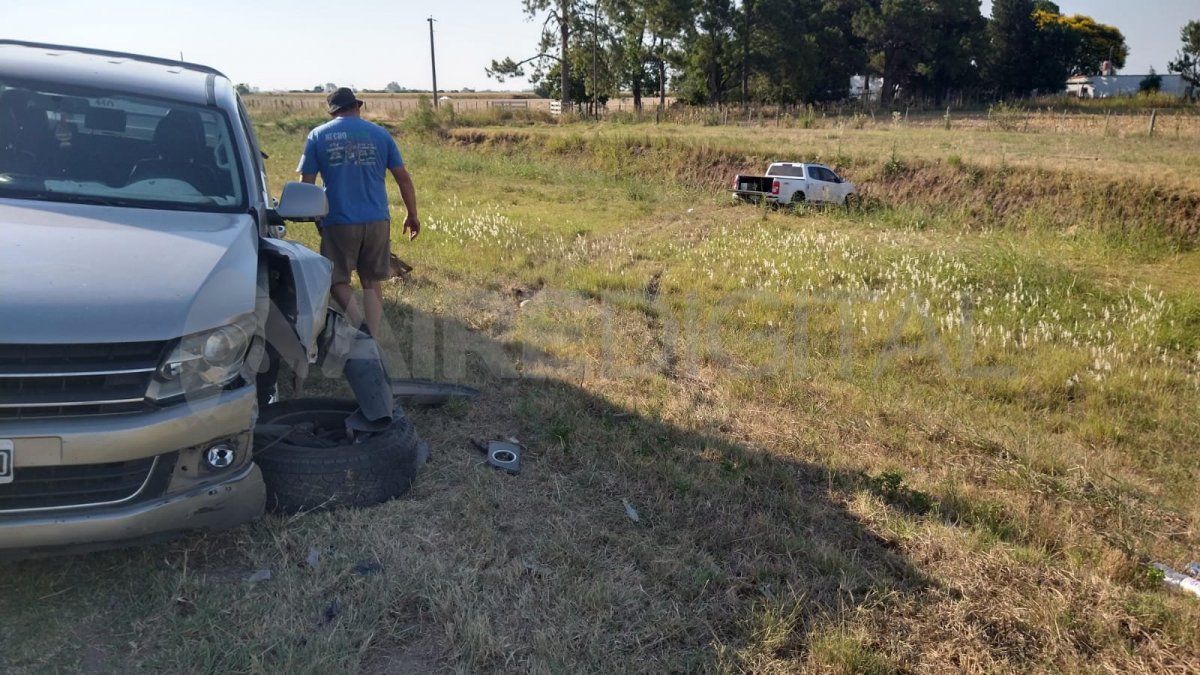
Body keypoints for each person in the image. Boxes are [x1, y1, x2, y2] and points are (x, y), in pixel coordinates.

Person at [298, 87, 419, 337]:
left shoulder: (318, 136)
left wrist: (306, 213)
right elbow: (403, 179)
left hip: (339, 220)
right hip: (377, 220)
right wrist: (412, 214)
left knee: (336, 279)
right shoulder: (381, 134)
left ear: (333, 112)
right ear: (357, 106)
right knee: (371, 280)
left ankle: (357, 322)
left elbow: (306, 183)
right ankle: (371, 336)